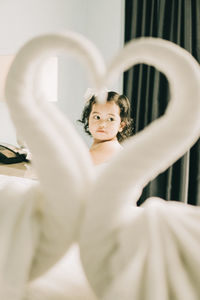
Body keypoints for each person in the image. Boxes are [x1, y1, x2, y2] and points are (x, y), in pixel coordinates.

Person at [78, 89, 134, 165]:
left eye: (110, 119)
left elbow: (77, 166)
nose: (102, 124)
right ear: (88, 119)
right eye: (97, 117)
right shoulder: (102, 145)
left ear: (121, 125)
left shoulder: (111, 147)